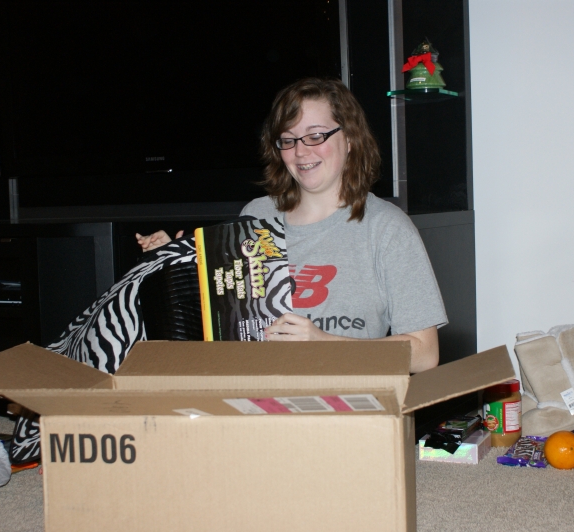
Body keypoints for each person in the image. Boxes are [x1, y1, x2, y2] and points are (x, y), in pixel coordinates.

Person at [137, 77, 447, 373]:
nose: (300, 151)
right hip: (259, 396)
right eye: (288, 139)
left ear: (350, 138)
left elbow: (424, 354)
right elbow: (225, 325)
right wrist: (174, 263)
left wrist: (323, 344)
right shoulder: (256, 216)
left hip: (346, 403)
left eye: (316, 136)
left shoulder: (386, 227)